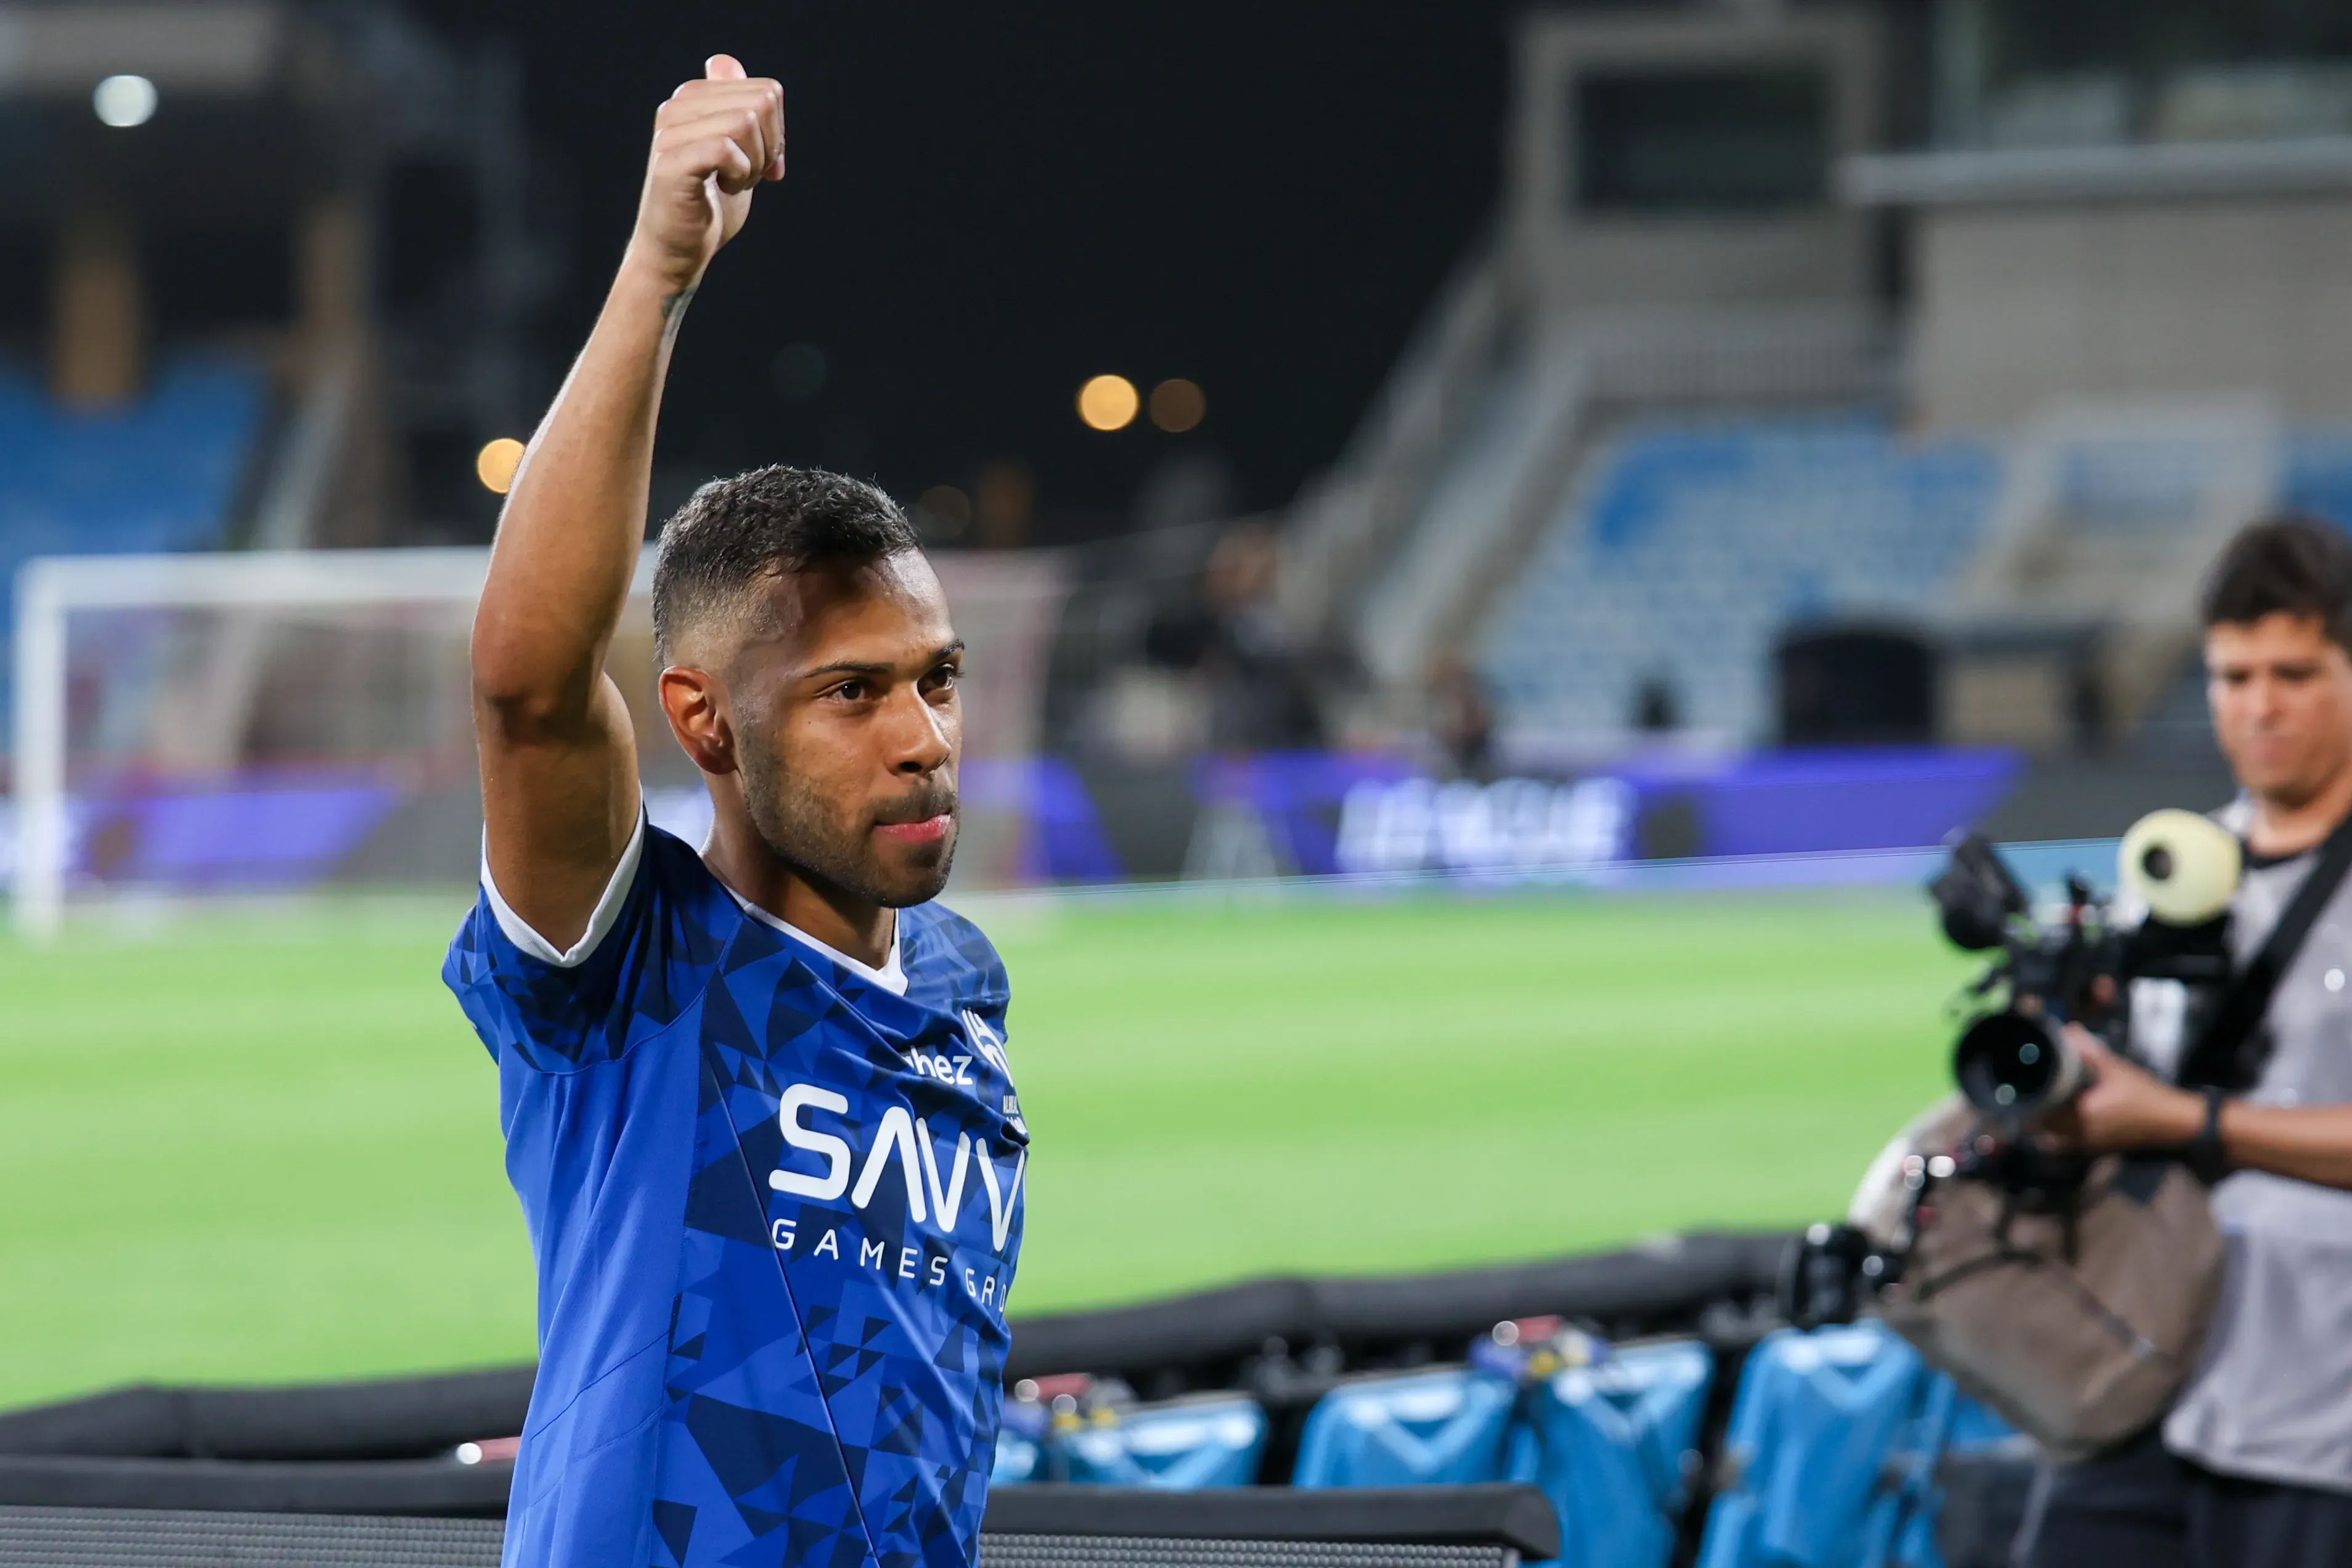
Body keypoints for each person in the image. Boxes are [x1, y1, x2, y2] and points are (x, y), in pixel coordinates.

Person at [440, 56, 1024, 1568]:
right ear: (703, 720)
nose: (924, 740)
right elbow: (525, 683)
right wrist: (659, 269)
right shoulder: (626, 971)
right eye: (852, 694)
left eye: (937, 680)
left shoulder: (962, 984)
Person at [2016, 517, 2352, 1567]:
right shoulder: (2172, 873)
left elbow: (2172, 1114)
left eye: (2294, 673)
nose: (2260, 706)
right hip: (2148, 1386)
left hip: (2320, 1420)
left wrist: (2185, 1119)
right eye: (2233, 674)